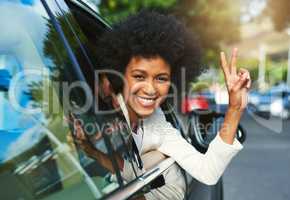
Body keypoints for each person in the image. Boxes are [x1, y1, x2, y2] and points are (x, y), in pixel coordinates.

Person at [74, 10, 251, 200]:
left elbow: (207, 172)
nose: (150, 89)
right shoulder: (97, 111)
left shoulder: (158, 127)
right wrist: (90, 149)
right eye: (139, 76)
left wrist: (234, 109)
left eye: (161, 78)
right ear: (118, 75)